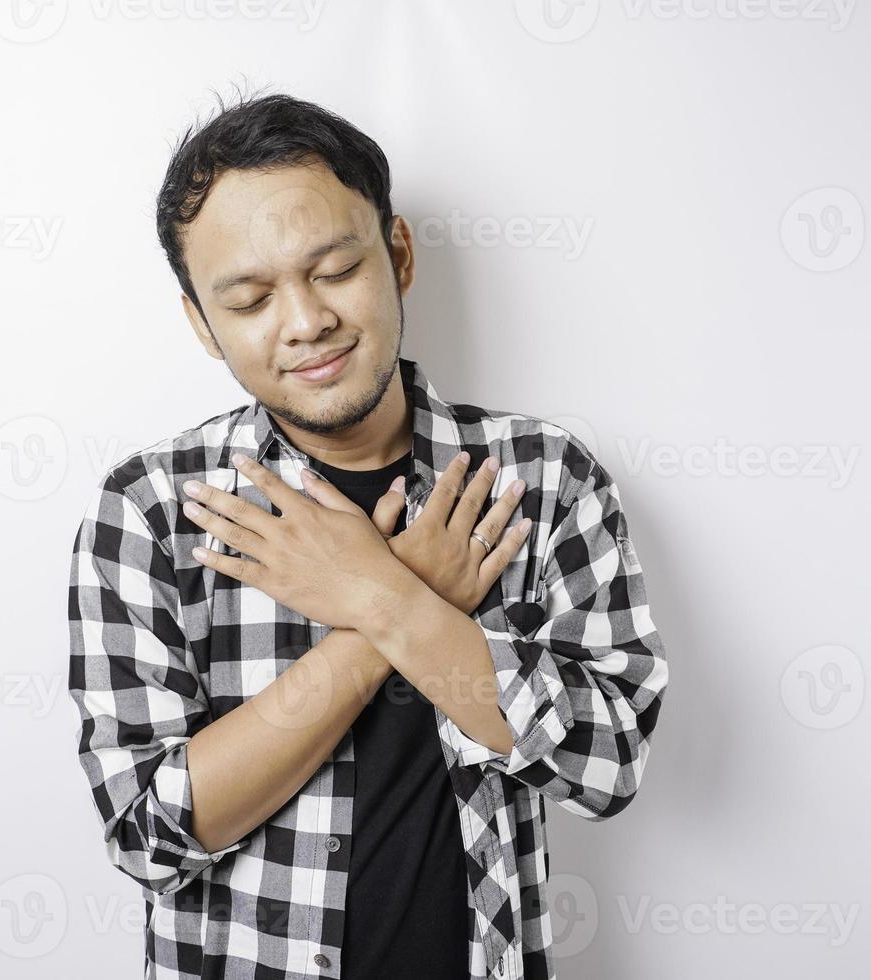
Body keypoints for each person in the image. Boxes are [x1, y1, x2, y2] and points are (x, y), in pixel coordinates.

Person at [66, 89, 669, 980]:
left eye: (335, 269)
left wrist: (381, 593)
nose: (306, 322)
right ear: (201, 322)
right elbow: (151, 833)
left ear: (397, 253)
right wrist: (390, 610)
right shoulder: (153, 510)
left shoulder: (540, 479)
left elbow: (607, 766)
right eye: (249, 297)